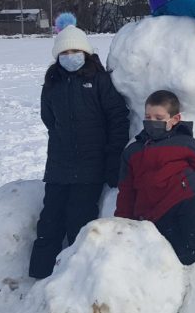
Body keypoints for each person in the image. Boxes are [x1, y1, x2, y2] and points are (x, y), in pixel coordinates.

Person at [29, 14, 131, 279]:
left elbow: (117, 119)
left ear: (86, 52)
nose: (70, 56)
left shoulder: (99, 80)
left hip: (91, 166)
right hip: (59, 166)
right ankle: (40, 276)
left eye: (75, 50)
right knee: (49, 221)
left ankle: (74, 278)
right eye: (65, 52)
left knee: (79, 220)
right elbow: (48, 119)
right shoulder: (52, 82)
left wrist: (111, 161)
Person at [115, 89, 195, 265]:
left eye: (159, 118)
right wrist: (121, 226)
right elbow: (126, 191)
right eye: (148, 117)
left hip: (191, 197)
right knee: (177, 255)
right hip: (157, 212)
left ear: (175, 119)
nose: (151, 122)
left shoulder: (185, 143)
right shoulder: (132, 151)